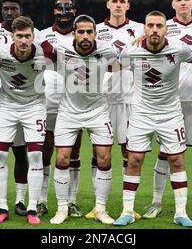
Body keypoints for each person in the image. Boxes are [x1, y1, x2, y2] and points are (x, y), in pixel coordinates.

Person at [113, 11, 192, 228]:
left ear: (166, 28)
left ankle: (181, 213)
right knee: (134, 160)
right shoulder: (132, 51)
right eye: (150, 25)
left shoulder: (179, 49)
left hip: (170, 114)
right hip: (141, 114)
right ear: (144, 29)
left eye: (159, 25)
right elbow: (115, 63)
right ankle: (127, 211)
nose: (155, 29)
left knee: (177, 160)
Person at [143, 0, 192, 220]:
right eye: (179, 0)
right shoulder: (164, 28)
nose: (183, 3)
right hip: (169, 100)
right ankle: (156, 202)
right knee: (165, 153)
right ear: (172, 4)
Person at [0, 16, 55, 225]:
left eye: (27, 36)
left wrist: (43, 41)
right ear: (12, 37)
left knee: (35, 156)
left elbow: (61, 57)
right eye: (19, 36)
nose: (23, 41)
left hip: (34, 106)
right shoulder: (0, 53)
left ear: (34, 36)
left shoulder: (45, 54)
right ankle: (2, 207)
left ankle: (32, 207)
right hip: (6, 105)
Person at [49, 14, 117, 225]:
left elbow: (126, 62)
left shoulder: (108, 51)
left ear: (96, 34)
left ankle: (101, 208)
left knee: (104, 159)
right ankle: (62, 208)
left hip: (98, 111)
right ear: (74, 34)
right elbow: (38, 45)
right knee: (61, 159)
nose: (85, 36)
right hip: (68, 112)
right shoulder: (61, 49)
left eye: (89, 32)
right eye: (81, 32)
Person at [0, 0, 39, 217]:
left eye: (14, 8)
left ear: (20, 11)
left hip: (24, 102)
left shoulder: (34, 34)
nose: (9, 12)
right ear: (1, 10)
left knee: (21, 152)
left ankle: (20, 201)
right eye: (6, 8)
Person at [87, 0, 144, 220]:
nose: (118, 5)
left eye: (122, 1)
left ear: (128, 5)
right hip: (102, 101)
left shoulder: (140, 29)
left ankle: (127, 205)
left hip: (131, 100)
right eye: (114, 1)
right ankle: (98, 204)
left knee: (130, 153)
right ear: (107, 4)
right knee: (99, 152)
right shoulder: (96, 31)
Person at [36, 0, 83, 218]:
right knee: (45, 153)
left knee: (73, 154)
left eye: (69, 7)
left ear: (75, 10)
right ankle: (42, 200)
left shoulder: (83, 36)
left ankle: (71, 201)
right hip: (47, 103)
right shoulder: (42, 36)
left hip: (74, 103)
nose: (64, 12)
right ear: (53, 10)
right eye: (59, 8)